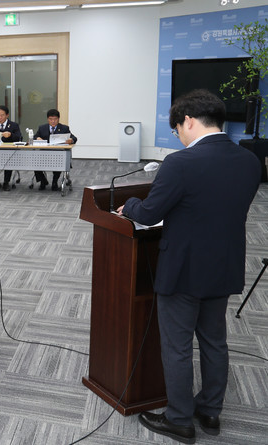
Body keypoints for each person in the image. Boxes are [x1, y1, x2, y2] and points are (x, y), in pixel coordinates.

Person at [117, 89, 260, 444]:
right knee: (214, 341)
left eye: (177, 129)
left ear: (189, 121)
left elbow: (149, 213)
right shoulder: (250, 161)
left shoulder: (180, 163)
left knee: (177, 346)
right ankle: (210, 410)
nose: (178, 136)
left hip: (183, 269)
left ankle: (179, 419)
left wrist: (129, 205)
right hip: (224, 265)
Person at [33, 109, 77, 191]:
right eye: (50, 119)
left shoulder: (64, 128)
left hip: (58, 154)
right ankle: (43, 181)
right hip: (44, 154)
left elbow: (74, 138)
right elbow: (35, 137)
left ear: (58, 119)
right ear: (47, 119)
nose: (53, 121)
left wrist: (71, 140)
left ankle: (55, 181)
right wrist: (37, 138)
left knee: (59, 160)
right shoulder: (42, 128)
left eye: (55, 119)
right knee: (35, 161)